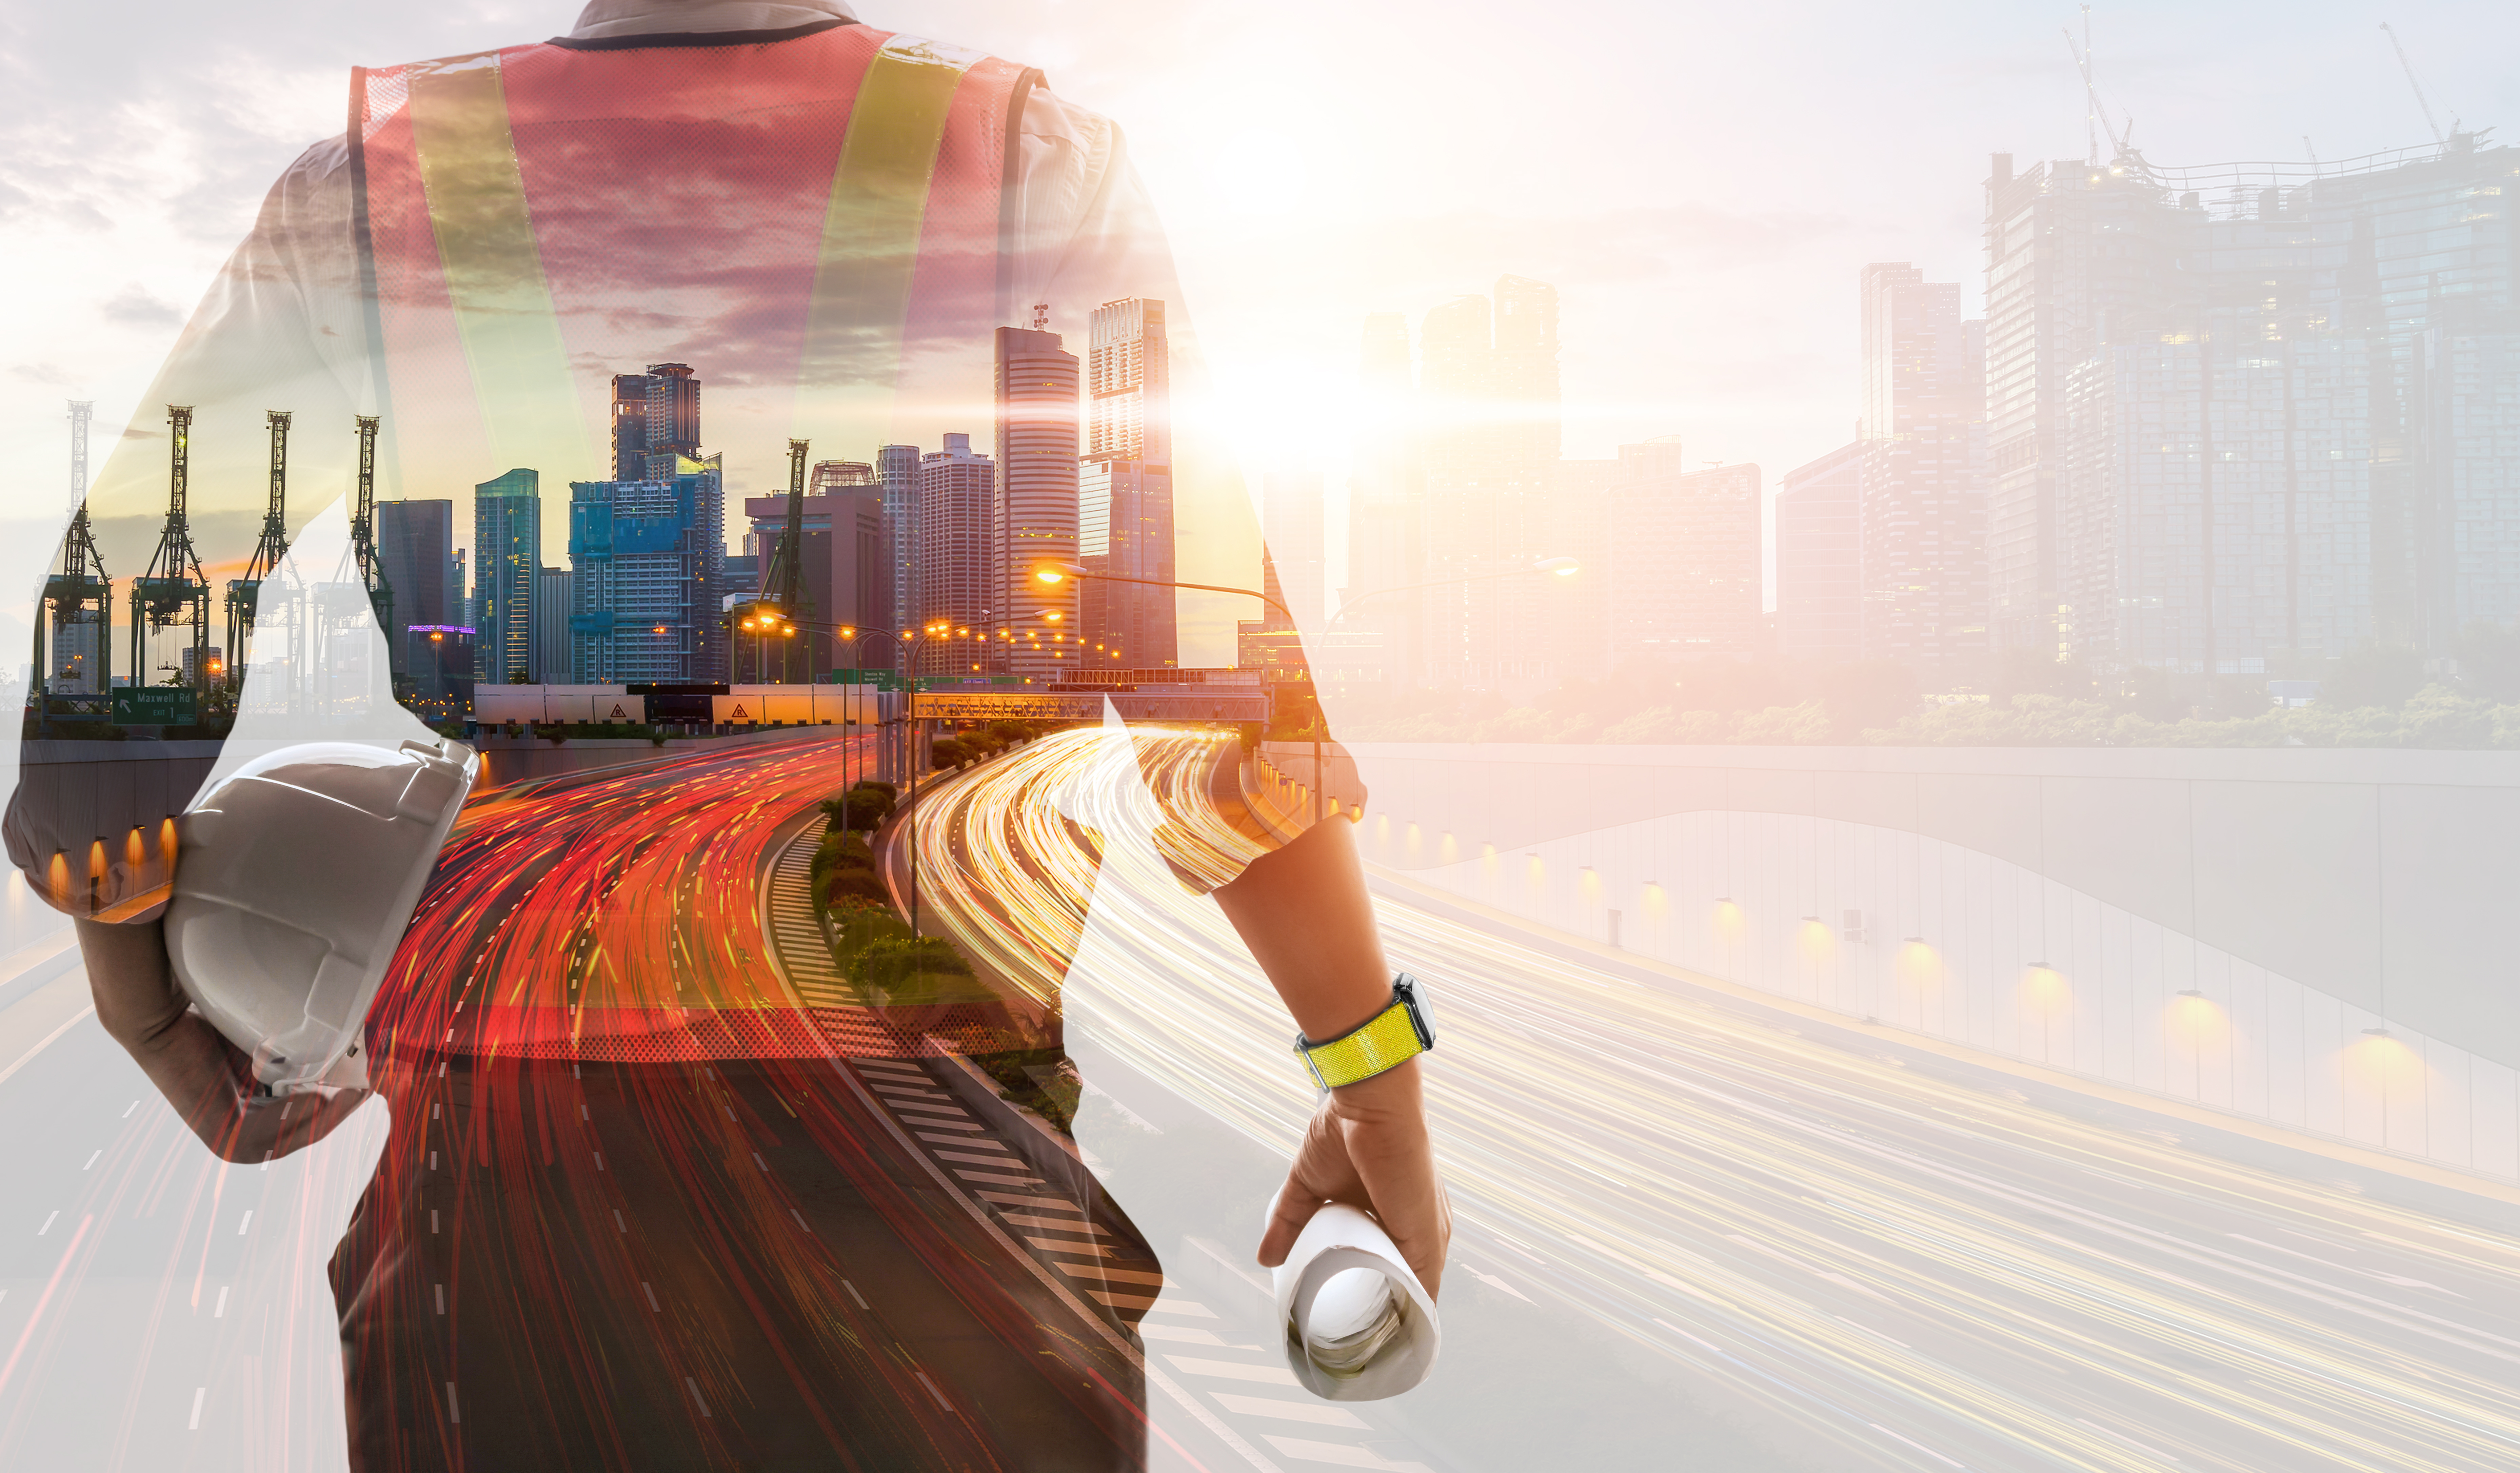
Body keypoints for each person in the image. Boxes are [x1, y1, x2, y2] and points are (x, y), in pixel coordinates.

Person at [7, 0, 1446, 1464]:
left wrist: (143, 996)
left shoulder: (375, 192)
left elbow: (115, 678)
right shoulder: (1027, 162)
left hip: (502, 1233)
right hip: (953, 1229)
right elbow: (1226, 703)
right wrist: (1366, 1068)